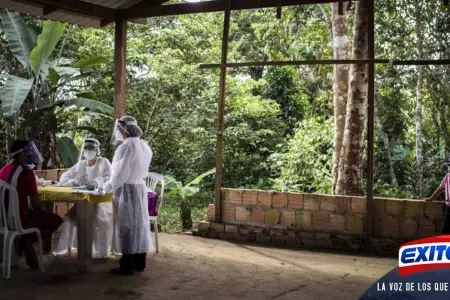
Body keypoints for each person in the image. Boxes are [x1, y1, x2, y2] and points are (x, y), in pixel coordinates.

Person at [0, 140, 63, 269]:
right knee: (53, 219)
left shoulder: (3, 169)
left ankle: (24, 244)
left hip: (2, 220)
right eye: (28, 152)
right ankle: (26, 243)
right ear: (22, 155)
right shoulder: (26, 173)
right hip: (18, 222)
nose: (30, 154)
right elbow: (36, 205)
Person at [102, 116, 152, 275]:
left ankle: (126, 265)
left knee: (126, 226)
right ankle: (139, 262)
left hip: (127, 189)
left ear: (123, 129)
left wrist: (107, 186)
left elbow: (120, 173)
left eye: (118, 129)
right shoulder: (144, 145)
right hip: (139, 187)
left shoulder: (126, 147)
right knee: (139, 225)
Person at [54, 138, 113, 258]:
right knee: (71, 217)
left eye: (91, 149)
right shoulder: (81, 164)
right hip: (83, 201)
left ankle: (98, 251)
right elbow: (64, 178)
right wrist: (74, 182)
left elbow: (111, 178)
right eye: (86, 149)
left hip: (101, 202)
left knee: (98, 220)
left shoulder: (104, 162)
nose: (88, 151)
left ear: (97, 150)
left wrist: (99, 182)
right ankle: (74, 248)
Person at [428, 157, 450, 234]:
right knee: (445, 230)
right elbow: (440, 188)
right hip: (448, 207)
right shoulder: (447, 176)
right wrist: (431, 199)